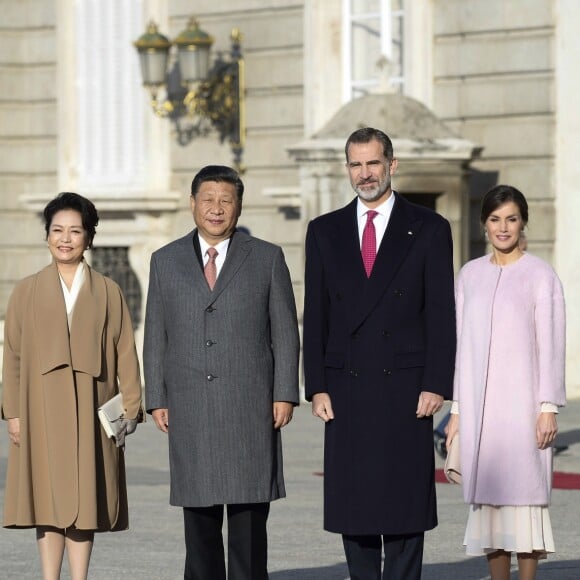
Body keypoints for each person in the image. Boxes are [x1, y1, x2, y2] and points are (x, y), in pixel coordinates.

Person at [302, 127, 456, 580]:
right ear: (347, 168)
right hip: (346, 385)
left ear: (392, 164)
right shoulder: (324, 230)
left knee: (405, 507)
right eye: (355, 164)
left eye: (373, 163)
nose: (364, 174)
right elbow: (318, 314)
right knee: (357, 507)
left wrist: (436, 382)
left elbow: (441, 313)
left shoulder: (430, 227)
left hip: (407, 387)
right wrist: (318, 386)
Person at [143, 164, 300, 580]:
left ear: (239, 206)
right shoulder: (165, 261)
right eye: (208, 200)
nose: (216, 209)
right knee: (199, 527)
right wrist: (156, 398)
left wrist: (284, 392)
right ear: (192, 203)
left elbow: (285, 332)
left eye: (225, 201)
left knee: (249, 527)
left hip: (250, 408)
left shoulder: (266, 257)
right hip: (190, 406)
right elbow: (156, 334)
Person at [2, 192, 142, 580]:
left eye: (75, 231)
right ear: (46, 235)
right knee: (46, 501)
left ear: (89, 237)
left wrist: (131, 407)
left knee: (85, 500)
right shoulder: (25, 291)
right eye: (57, 230)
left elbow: (125, 350)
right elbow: (12, 356)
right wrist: (13, 413)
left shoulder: (109, 291)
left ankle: (79, 578)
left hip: (92, 409)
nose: (65, 238)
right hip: (38, 409)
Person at [446, 184, 566, 580]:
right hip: (481, 413)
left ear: (522, 222)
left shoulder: (541, 275)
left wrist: (547, 407)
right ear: (484, 224)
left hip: (524, 409)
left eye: (511, 219)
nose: (503, 227)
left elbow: (551, 344)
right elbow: (462, 348)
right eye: (496, 219)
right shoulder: (469, 276)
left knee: (525, 506)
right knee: (492, 510)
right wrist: (458, 411)